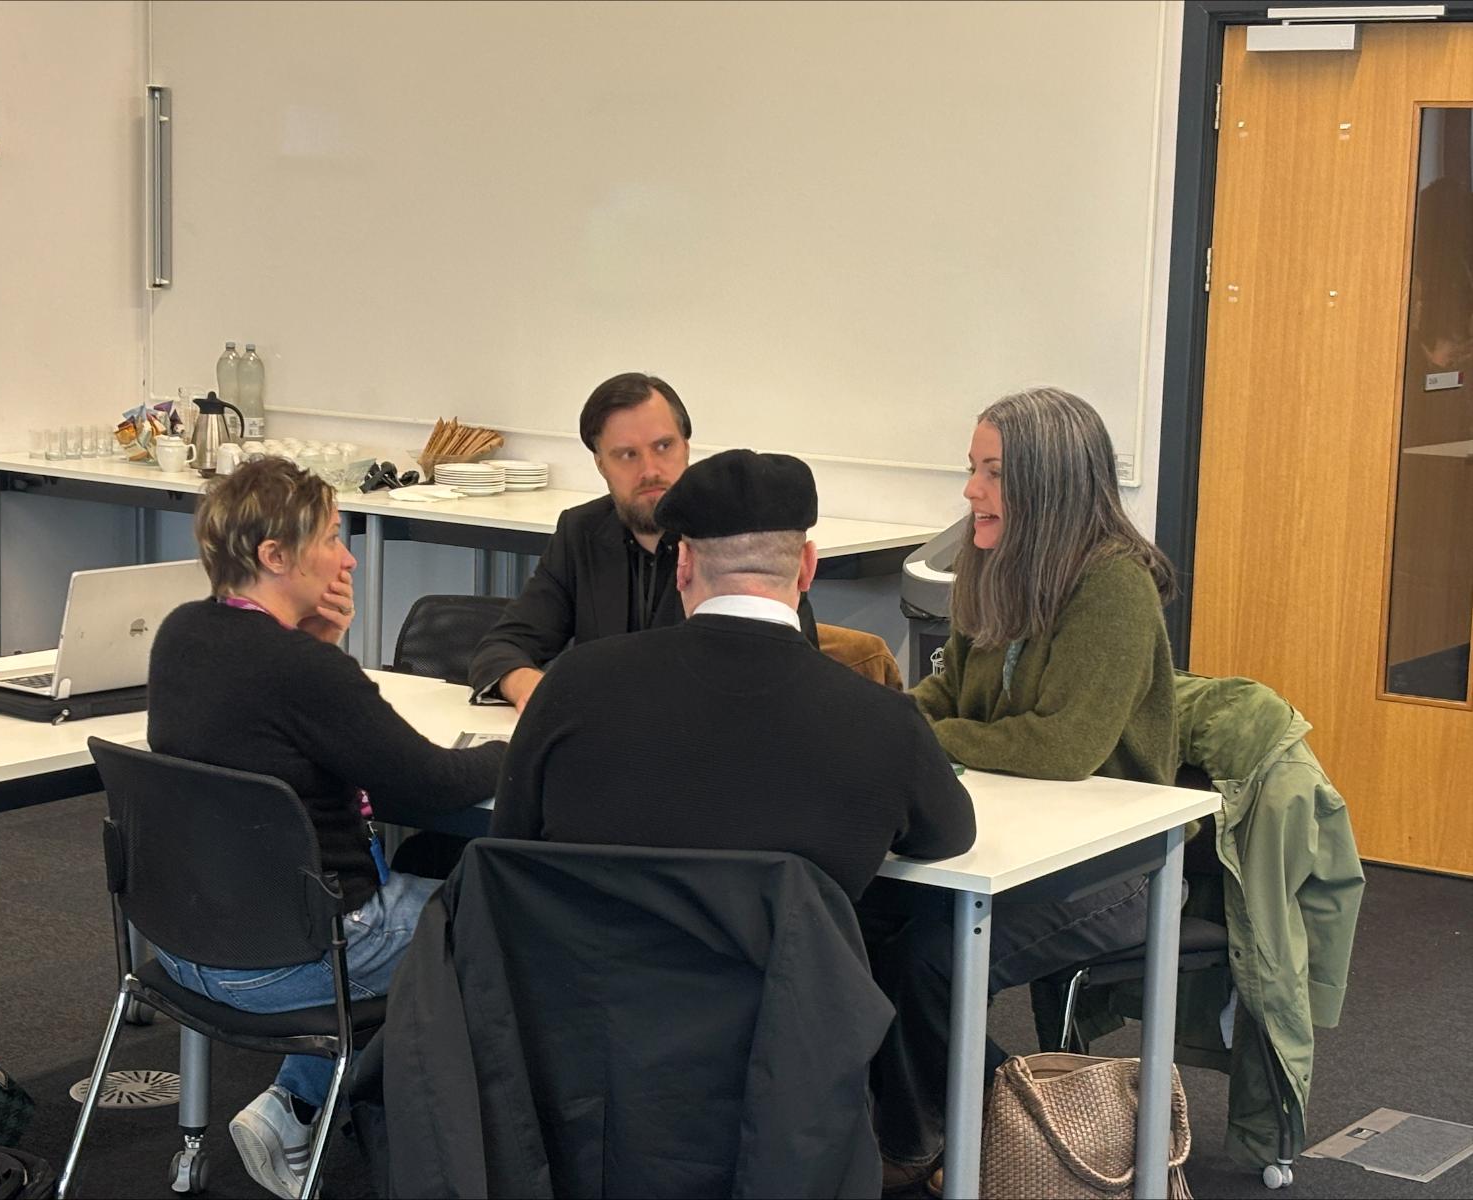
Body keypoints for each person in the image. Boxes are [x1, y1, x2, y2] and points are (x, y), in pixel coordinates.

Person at [146, 457, 505, 1200]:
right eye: (333, 538)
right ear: (275, 556)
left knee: (423, 879)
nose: (348, 559)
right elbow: (430, 783)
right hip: (294, 955)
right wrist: (517, 748)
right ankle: (472, 1156)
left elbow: (285, 733)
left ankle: (295, 1105)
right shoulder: (299, 669)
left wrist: (318, 642)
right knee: (507, 918)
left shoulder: (182, 634)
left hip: (183, 941)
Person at [871, 387, 1179, 1195]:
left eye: (993, 473)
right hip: (1010, 841)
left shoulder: (1113, 586)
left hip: (1117, 866)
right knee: (848, 918)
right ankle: (966, 1120)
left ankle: (934, 1136)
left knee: (933, 959)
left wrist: (923, 737)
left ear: (1048, 483)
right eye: (972, 469)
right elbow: (946, 698)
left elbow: (1060, 746)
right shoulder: (991, 564)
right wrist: (892, 724)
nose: (971, 489)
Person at [491, 447, 975, 902]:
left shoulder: (576, 683)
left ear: (682, 565)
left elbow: (509, 843)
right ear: (807, 568)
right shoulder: (883, 722)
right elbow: (948, 837)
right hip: (780, 967)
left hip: (580, 963)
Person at [467, 372, 818, 711]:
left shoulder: (732, 535)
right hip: (601, 736)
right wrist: (528, 686)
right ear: (601, 464)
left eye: (663, 446)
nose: (650, 470)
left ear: (686, 448)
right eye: (627, 454)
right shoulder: (581, 531)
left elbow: (790, 666)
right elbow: (503, 646)